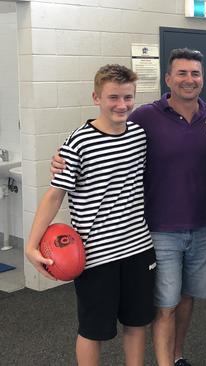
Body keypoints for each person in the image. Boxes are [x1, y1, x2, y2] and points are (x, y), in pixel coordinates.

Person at [51, 48, 206, 366]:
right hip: (158, 231)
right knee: (164, 305)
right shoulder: (145, 116)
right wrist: (61, 158)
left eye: (195, 73)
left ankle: (177, 355)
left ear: (203, 78)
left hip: (201, 226)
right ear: (167, 79)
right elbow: (102, 133)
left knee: (185, 299)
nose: (189, 79)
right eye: (181, 73)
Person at [26, 64, 156, 366]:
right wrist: (32, 246)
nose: (121, 105)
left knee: (137, 324)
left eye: (127, 97)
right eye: (113, 97)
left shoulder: (139, 135)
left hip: (138, 247)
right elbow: (54, 194)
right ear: (96, 97)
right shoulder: (78, 143)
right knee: (93, 331)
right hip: (96, 256)